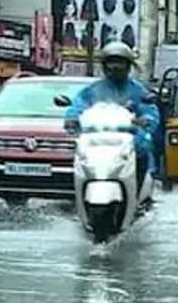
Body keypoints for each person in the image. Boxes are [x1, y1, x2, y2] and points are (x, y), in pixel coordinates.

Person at [65, 41, 161, 193]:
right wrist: (72, 119)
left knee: (143, 152)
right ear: (104, 65)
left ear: (128, 65)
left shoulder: (138, 90)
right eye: (111, 62)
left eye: (120, 62)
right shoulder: (93, 90)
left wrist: (146, 120)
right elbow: (78, 105)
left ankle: (137, 193)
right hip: (98, 139)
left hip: (130, 140)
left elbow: (150, 110)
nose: (115, 67)